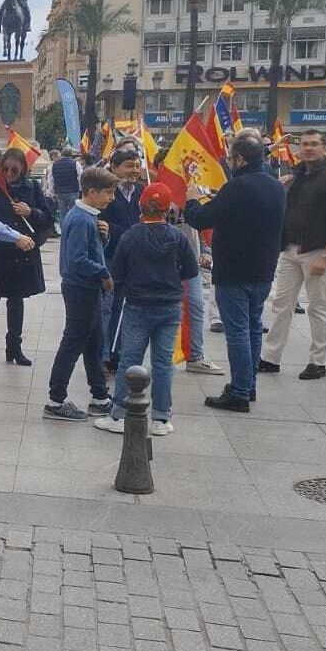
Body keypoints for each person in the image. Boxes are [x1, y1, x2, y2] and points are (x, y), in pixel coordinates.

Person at [186, 136, 286, 411]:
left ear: (240, 159)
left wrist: (192, 200)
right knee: (253, 327)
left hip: (234, 269)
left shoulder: (236, 187)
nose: (229, 162)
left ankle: (240, 392)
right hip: (263, 268)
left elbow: (201, 219)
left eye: (231, 158)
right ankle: (248, 384)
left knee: (238, 331)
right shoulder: (276, 186)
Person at [92, 182, 196, 437]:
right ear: (167, 209)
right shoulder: (178, 237)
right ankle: (161, 418)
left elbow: (117, 273)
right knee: (163, 363)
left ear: (141, 206)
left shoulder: (130, 236)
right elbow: (191, 271)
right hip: (170, 306)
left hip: (137, 305)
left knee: (130, 360)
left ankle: (119, 414)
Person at [259, 130, 326, 381]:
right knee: (281, 304)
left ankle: (318, 362)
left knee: (319, 306)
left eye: (314, 144)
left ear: (323, 148)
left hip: (319, 249)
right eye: (305, 144)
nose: (309, 148)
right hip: (290, 248)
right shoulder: (297, 175)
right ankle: (270, 357)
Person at [42, 166, 118, 421]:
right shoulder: (80, 219)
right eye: (108, 192)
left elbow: (89, 250)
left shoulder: (88, 217)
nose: (111, 198)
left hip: (86, 287)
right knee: (73, 342)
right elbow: (77, 260)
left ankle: (99, 396)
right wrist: (103, 273)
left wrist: (103, 238)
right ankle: (55, 400)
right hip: (80, 288)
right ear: (91, 191)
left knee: (94, 342)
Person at [0, 148, 50, 365]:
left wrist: (30, 211)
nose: (10, 173)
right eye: (5, 168)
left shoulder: (31, 187)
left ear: (23, 168)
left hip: (23, 252)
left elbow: (47, 218)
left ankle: (14, 347)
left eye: (15, 169)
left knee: (17, 301)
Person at [98, 149, 144, 366]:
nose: (134, 170)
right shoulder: (105, 191)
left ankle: (119, 353)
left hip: (134, 261)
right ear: (115, 167)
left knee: (126, 309)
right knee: (106, 308)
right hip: (110, 258)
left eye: (136, 165)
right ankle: (103, 355)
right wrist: (126, 231)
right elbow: (101, 223)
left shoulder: (142, 192)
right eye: (129, 166)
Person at [172, 204, 222, 376]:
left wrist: (205, 249)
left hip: (190, 259)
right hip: (163, 259)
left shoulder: (193, 193)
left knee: (195, 305)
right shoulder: (163, 182)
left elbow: (198, 224)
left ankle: (195, 355)